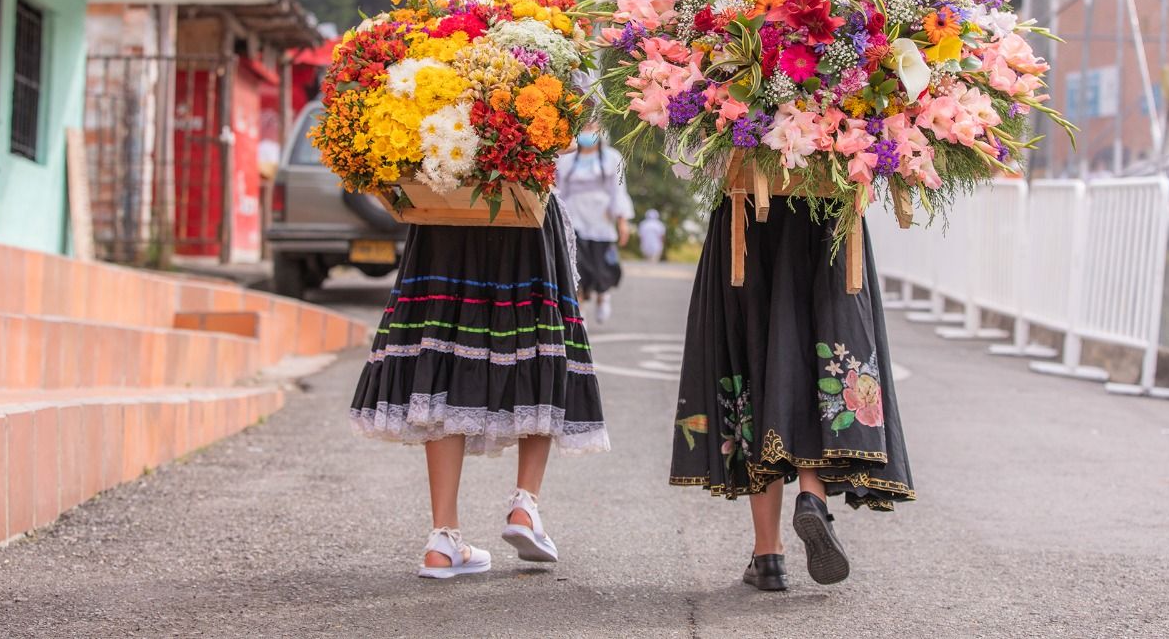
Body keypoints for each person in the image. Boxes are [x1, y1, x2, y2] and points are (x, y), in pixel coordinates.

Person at [349, 196, 610, 579]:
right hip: (523, 210)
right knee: (535, 346)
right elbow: (564, 137)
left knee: (444, 353)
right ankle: (524, 507)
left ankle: (442, 539)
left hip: (443, 211)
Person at [669, 199, 915, 591]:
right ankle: (812, 497)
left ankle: (768, 555)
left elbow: (689, 165)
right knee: (814, 352)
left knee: (757, 359)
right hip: (829, 215)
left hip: (748, 215)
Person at [556, 122, 634, 323]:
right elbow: (560, 190)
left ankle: (602, 294)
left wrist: (622, 221)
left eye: (592, 127)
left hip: (601, 220)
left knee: (601, 266)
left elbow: (618, 191)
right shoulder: (566, 159)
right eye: (584, 127)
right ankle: (579, 310)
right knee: (577, 265)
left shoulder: (612, 158)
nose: (587, 132)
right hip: (575, 218)